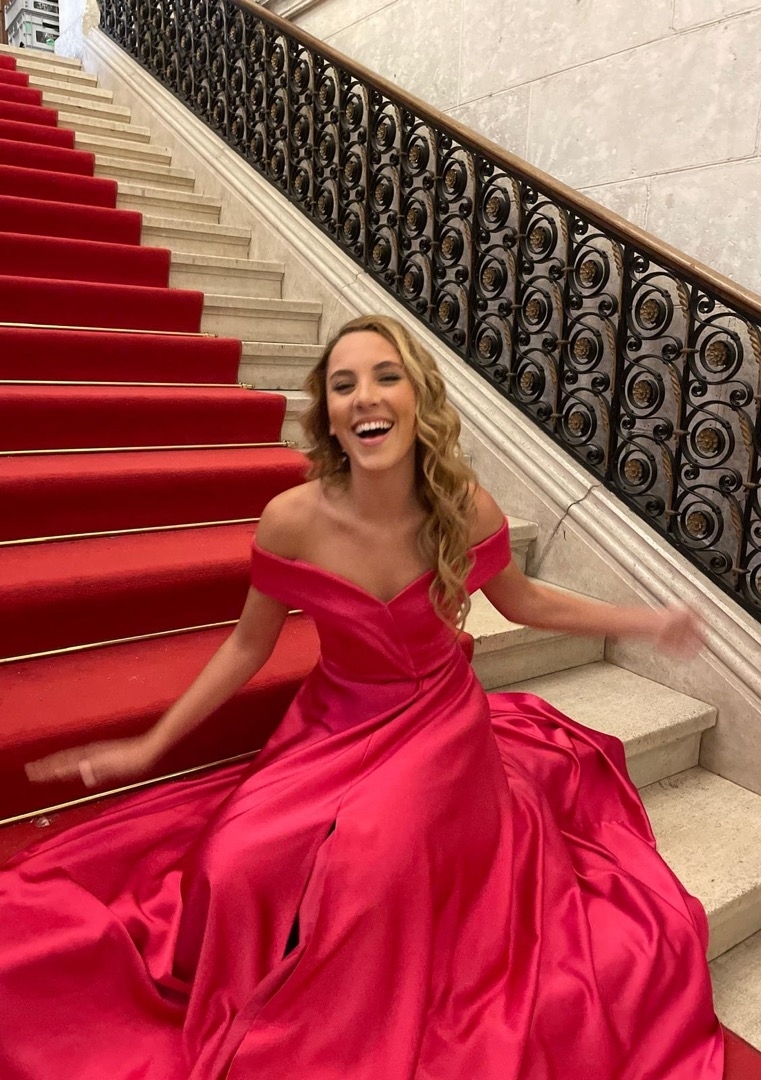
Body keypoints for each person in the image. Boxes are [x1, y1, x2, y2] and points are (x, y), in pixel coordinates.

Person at [1, 314, 723, 1078]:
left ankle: (309, 1032)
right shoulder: (292, 520)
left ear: (419, 398)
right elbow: (248, 646)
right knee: (230, 864)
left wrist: (647, 622)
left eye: (386, 376)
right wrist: (150, 744)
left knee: (368, 870)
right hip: (332, 721)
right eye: (343, 384)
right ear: (329, 413)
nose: (365, 397)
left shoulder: (464, 507)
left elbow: (528, 603)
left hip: (439, 725)